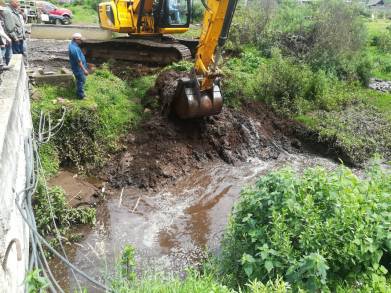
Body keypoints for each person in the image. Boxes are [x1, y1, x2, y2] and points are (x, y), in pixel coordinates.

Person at [68, 33, 89, 99]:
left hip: (76, 67)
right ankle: (81, 96)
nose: (81, 41)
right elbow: (78, 61)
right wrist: (84, 70)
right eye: (80, 40)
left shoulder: (72, 45)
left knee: (80, 80)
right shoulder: (75, 49)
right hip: (78, 68)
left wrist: (81, 52)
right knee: (81, 80)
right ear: (76, 39)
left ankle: (79, 92)